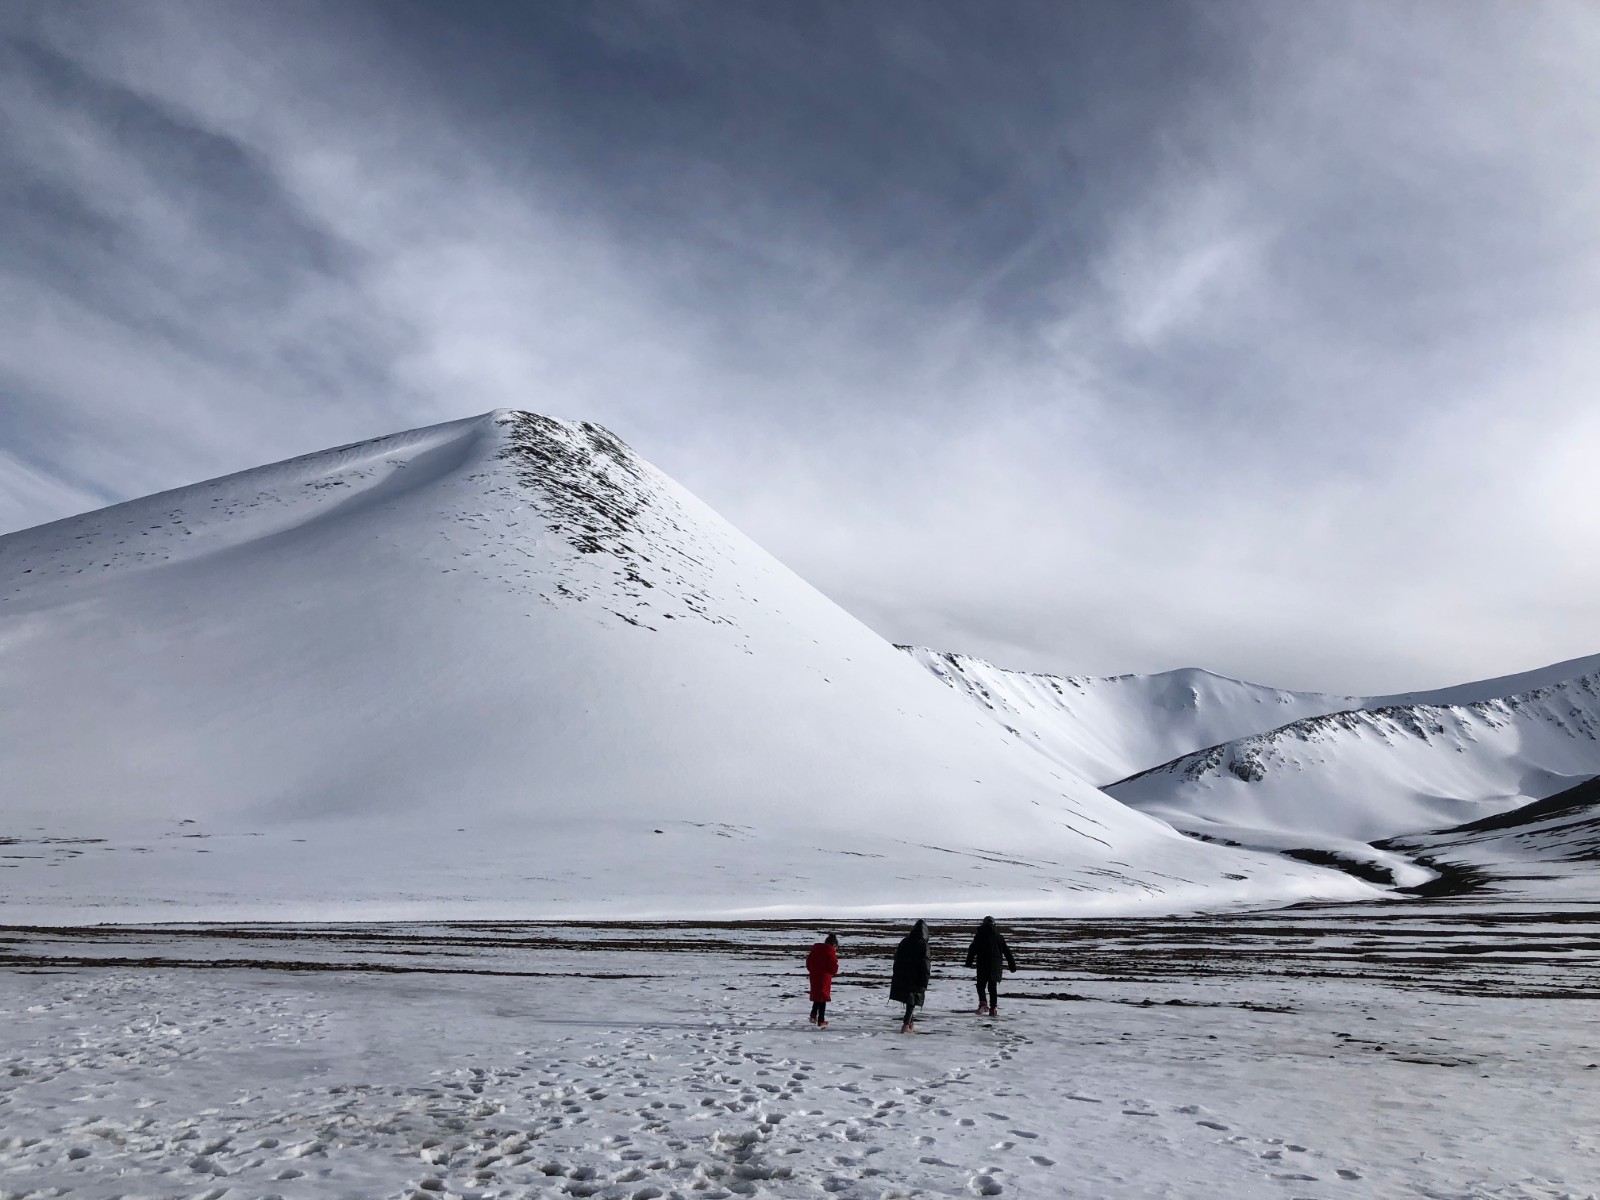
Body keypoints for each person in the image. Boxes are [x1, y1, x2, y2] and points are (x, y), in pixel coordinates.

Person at [964, 915, 1017, 1016]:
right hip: (995, 967)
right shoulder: (999, 937)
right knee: (992, 987)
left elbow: (972, 950)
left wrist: (968, 963)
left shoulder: (980, 936)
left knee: (981, 985)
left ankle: (983, 1004)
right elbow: (1007, 952)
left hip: (983, 965)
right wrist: (1012, 966)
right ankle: (993, 1008)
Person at [889, 919, 932, 1033]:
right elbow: (925, 964)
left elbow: (897, 958)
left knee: (909, 1000)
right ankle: (906, 1024)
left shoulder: (905, 941)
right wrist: (924, 980)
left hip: (903, 975)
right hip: (915, 977)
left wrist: (897, 973)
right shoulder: (923, 945)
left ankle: (910, 1023)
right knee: (912, 1001)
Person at [806, 933, 839, 1027]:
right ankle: (821, 1020)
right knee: (822, 998)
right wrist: (832, 973)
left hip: (814, 975)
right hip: (824, 977)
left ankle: (813, 1015)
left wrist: (812, 970)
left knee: (817, 996)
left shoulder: (815, 949)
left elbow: (808, 962)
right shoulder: (830, 951)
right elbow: (833, 966)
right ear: (834, 945)